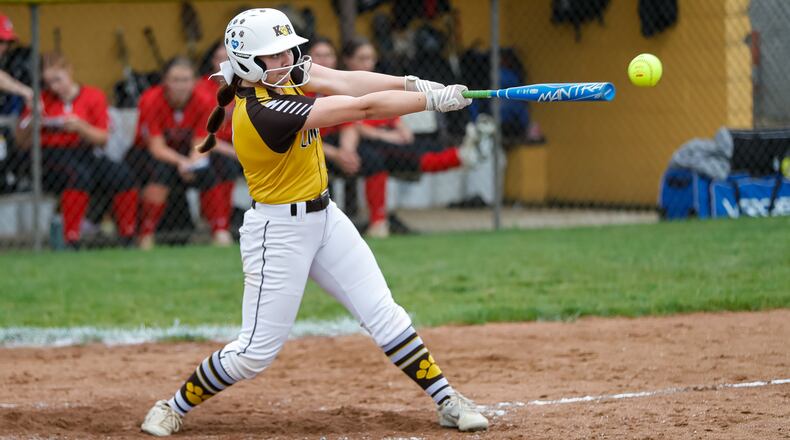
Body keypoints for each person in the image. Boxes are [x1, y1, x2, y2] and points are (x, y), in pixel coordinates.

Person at [140, 8, 489, 436]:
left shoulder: (283, 75)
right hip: (278, 234)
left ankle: (447, 399)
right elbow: (359, 107)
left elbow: (347, 81)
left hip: (326, 219)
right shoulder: (264, 111)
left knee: (384, 313)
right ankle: (172, 406)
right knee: (253, 354)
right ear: (247, 62)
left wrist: (410, 84)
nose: (286, 59)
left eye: (287, 50)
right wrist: (430, 101)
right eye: (274, 54)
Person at [317, 36, 491, 237]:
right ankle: (459, 157)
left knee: (416, 146)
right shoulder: (326, 86)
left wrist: (405, 123)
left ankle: (461, 155)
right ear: (347, 60)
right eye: (362, 58)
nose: (368, 63)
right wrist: (378, 138)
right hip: (351, 144)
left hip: (374, 139)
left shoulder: (375, 82)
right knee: (385, 154)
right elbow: (354, 123)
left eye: (371, 58)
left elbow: (391, 112)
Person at [14, 53, 138, 248]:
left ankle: (128, 235)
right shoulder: (40, 99)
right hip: (50, 154)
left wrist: (81, 127)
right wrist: (33, 121)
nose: (54, 87)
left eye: (58, 80)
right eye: (48, 82)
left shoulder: (93, 96)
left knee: (122, 175)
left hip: (84, 151)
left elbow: (103, 139)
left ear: (69, 71)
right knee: (78, 175)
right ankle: (71, 238)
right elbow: (21, 142)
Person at [126, 56, 234, 250]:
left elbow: (201, 141)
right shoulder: (150, 99)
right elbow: (156, 147)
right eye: (175, 80)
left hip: (187, 152)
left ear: (194, 81)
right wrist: (182, 163)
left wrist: (192, 163)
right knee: (159, 175)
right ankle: (146, 235)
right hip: (150, 153)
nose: (181, 86)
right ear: (165, 81)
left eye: (185, 80)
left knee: (211, 172)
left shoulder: (204, 100)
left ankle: (219, 230)